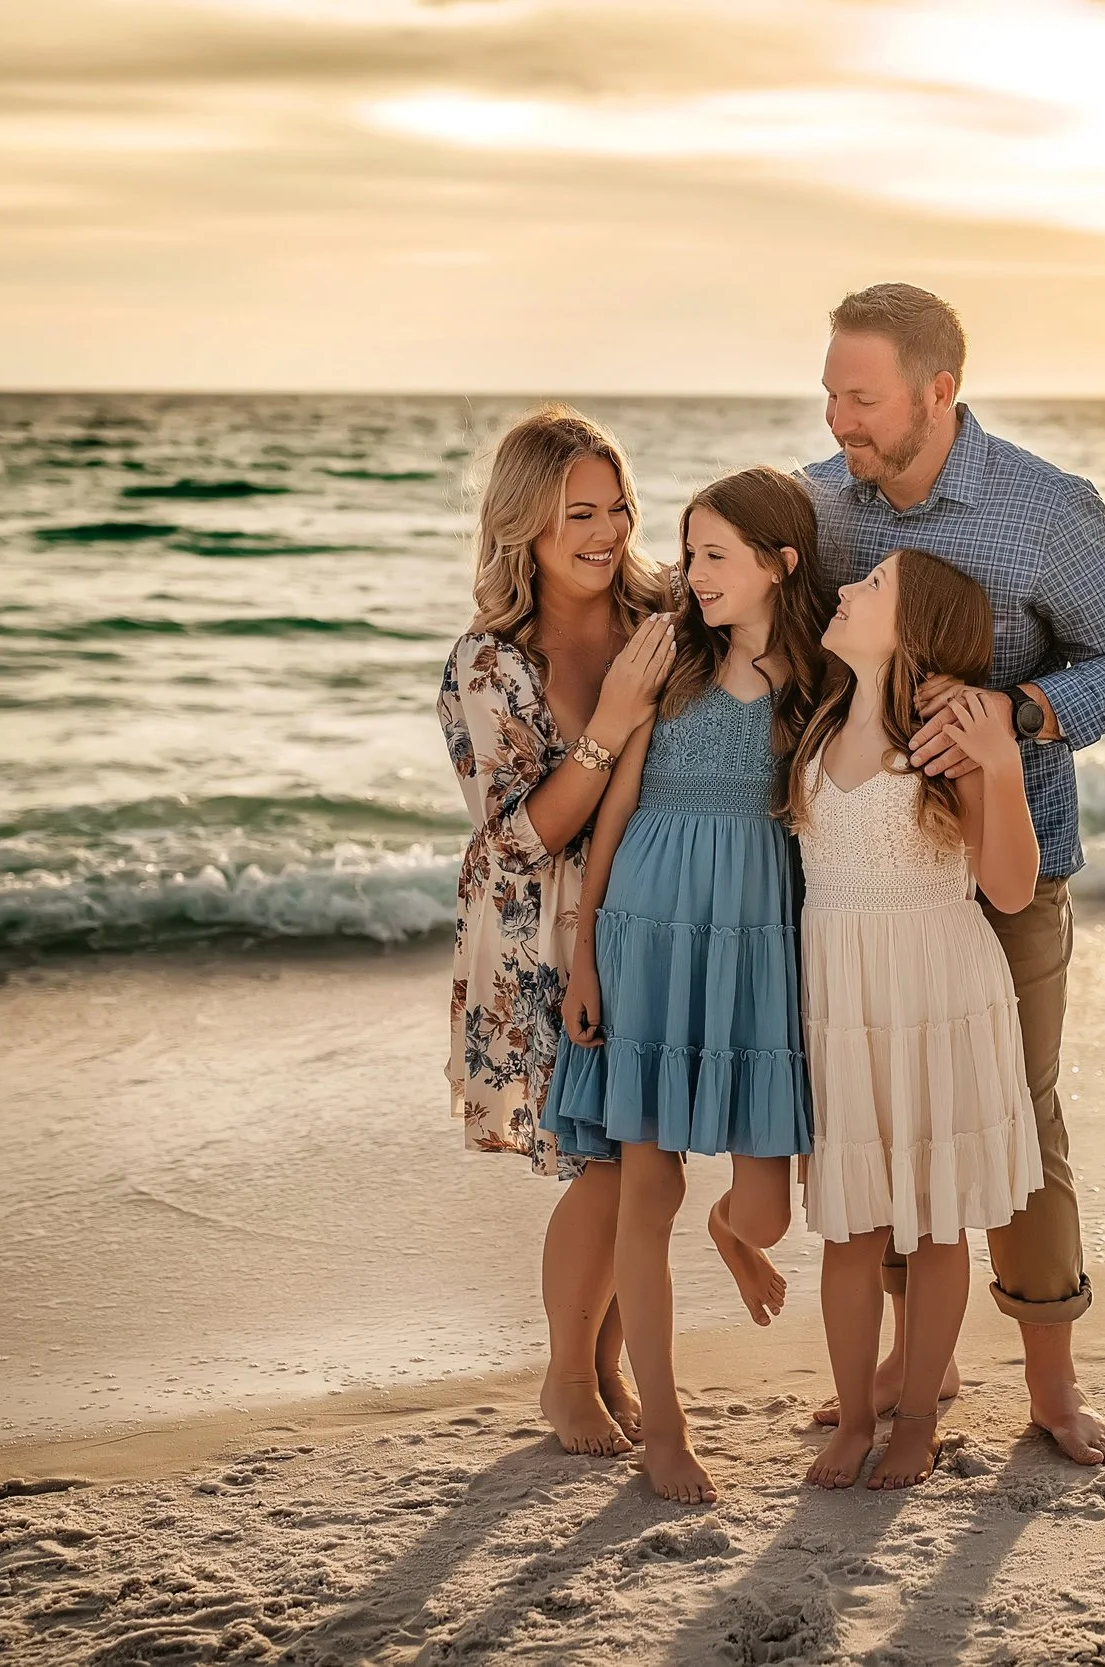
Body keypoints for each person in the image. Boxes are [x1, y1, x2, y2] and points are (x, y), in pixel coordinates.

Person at [801, 283, 1105, 1466]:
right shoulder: (822, 507)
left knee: (1019, 1122)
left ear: (935, 391)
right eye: (830, 392)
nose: (839, 417)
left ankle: (1052, 1388)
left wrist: (1021, 711)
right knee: (890, 1108)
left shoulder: (1043, 512)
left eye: (861, 397)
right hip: (867, 880)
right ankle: (922, 1368)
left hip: (1011, 867)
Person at [540, 466, 832, 1503]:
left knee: (763, 1204)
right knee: (645, 1186)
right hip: (647, 926)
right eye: (690, 550)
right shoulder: (665, 656)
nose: (689, 573)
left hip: (753, 940)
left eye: (713, 555)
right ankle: (665, 1430)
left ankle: (722, 1239)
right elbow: (612, 812)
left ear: (777, 564)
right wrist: (583, 956)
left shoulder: (819, 677)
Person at [437, 403, 675, 1460]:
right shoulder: (491, 663)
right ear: (523, 524)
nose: (607, 530)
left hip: (650, 906)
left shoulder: (660, 613)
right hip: (540, 931)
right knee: (608, 1158)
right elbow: (524, 836)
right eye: (579, 511)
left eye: (618, 505)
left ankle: (610, 1361)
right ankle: (565, 1374)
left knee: (650, 1148)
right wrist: (613, 720)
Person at [795, 548, 1047, 1490]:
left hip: (938, 997)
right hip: (845, 1003)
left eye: (871, 587)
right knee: (851, 1227)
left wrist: (1005, 762)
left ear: (915, 627)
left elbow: (1011, 888)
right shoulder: (816, 726)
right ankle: (854, 1414)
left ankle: (914, 1423)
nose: (847, 591)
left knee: (939, 1222)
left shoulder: (950, 738)